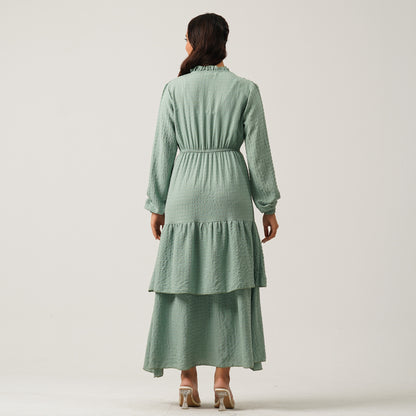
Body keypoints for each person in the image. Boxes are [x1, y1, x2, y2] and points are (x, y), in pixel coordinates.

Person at [142, 12, 281, 411]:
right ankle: (222, 381)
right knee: (229, 286)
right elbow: (259, 152)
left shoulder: (174, 90)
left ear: (194, 43)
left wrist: (157, 203)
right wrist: (267, 205)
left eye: (186, 39)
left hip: (184, 192)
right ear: (224, 43)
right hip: (230, 192)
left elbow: (162, 149)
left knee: (183, 285)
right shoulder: (245, 89)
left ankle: (187, 380)